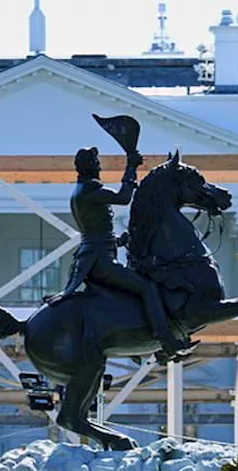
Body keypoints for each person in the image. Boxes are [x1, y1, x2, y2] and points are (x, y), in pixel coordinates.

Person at [48, 146, 187, 361]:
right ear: (91, 166)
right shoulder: (90, 191)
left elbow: (95, 232)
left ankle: (137, 335)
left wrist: (118, 241)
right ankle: (165, 341)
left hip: (96, 255)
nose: (99, 167)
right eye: (97, 163)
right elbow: (123, 197)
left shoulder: (83, 190)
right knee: (148, 288)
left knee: (131, 289)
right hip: (100, 262)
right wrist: (131, 166)